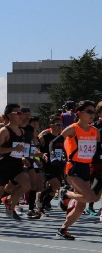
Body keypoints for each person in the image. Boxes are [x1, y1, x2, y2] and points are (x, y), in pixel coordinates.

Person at [54, 100, 100, 240]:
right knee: (91, 197)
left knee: (81, 205)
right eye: (89, 112)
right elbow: (54, 142)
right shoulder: (73, 129)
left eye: (94, 112)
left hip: (86, 168)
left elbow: (98, 151)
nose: (92, 115)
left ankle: (63, 229)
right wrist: (53, 157)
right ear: (79, 113)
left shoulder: (95, 131)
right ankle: (65, 193)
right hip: (73, 168)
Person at [0, 104, 31, 227]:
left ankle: (10, 202)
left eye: (21, 112)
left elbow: (18, 149)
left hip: (16, 164)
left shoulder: (21, 131)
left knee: (26, 184)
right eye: (18, 113)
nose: (21, 115)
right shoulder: (4, 130)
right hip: (2, 165)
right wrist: (12, 148)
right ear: (9, 115)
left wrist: (23, 158)